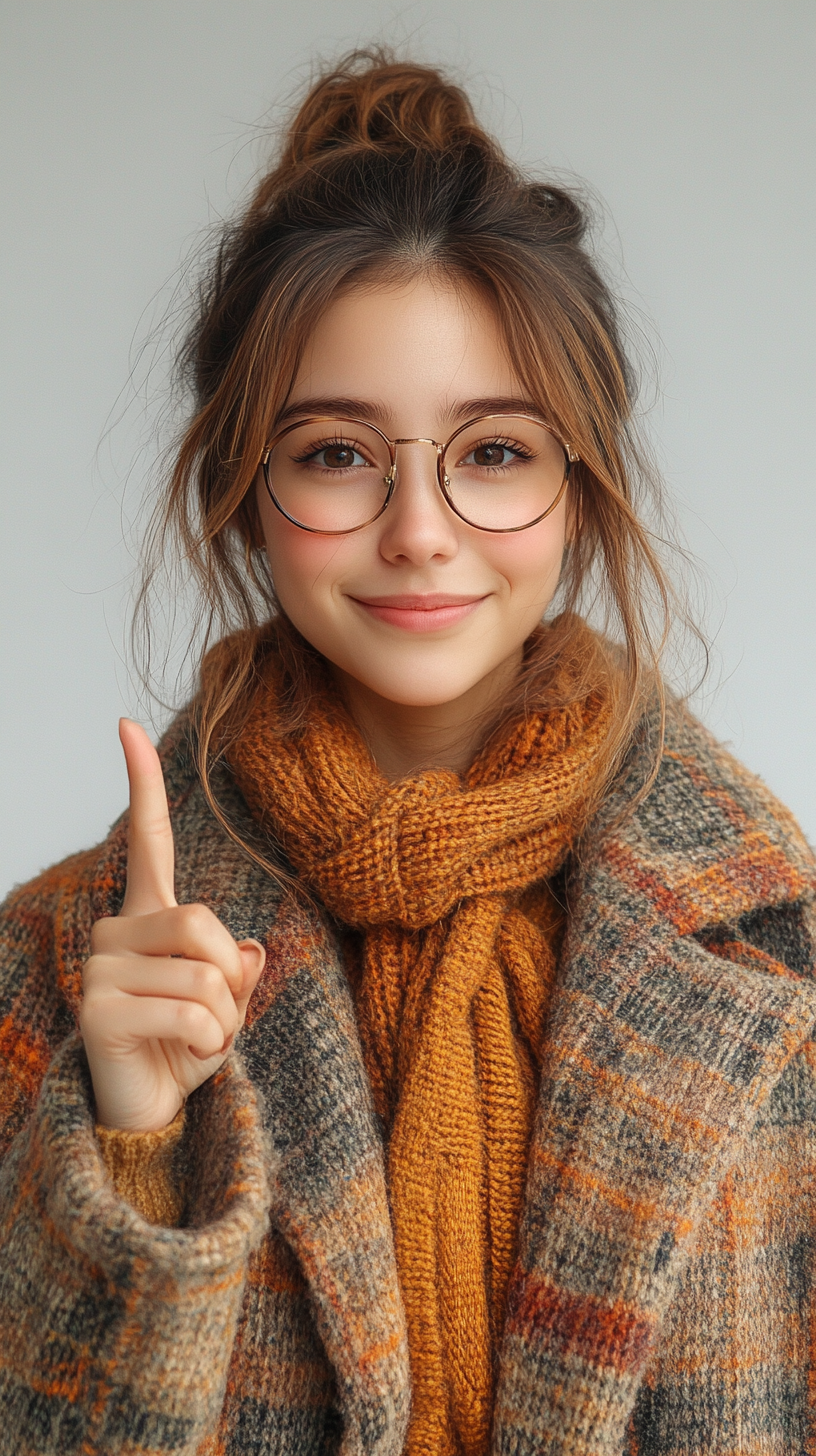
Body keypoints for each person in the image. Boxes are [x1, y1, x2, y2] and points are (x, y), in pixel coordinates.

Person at [0, 50, 814, 1456]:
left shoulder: (774, 954)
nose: (421, 530)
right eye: (335, 455)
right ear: (244, 494)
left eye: (495, 452)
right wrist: (130, 1145)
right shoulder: (65, 963)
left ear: (582, 488)